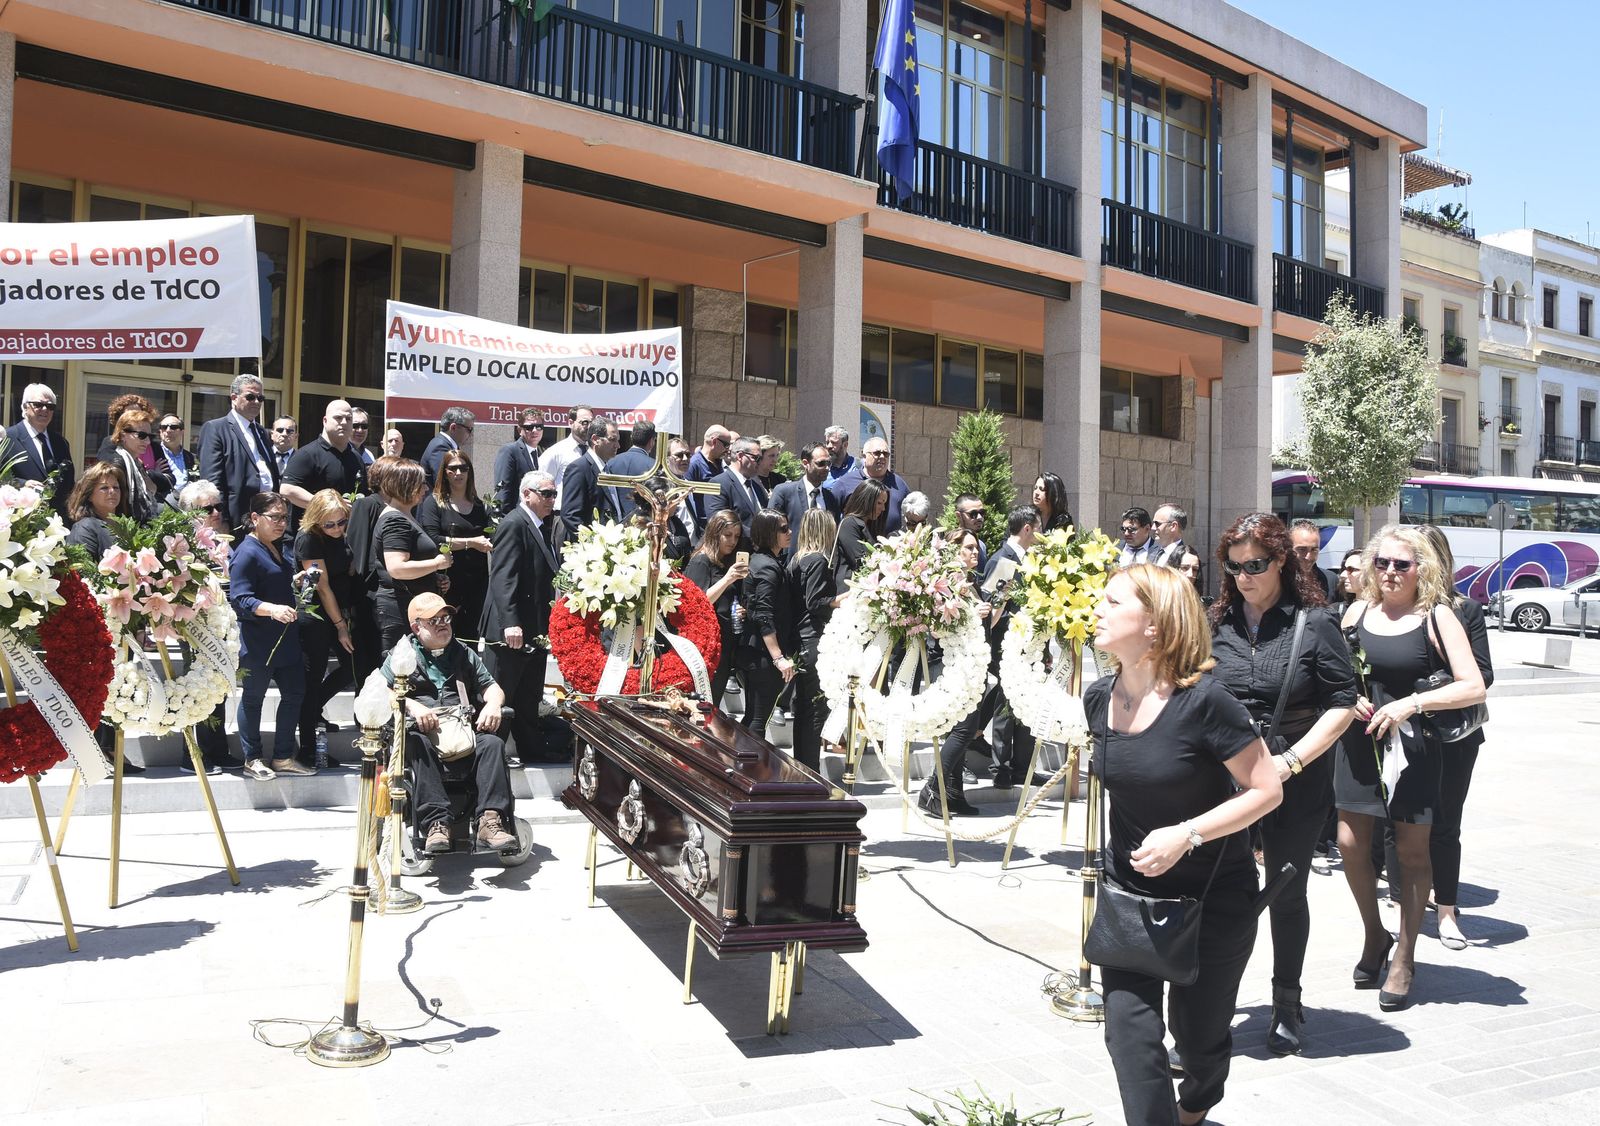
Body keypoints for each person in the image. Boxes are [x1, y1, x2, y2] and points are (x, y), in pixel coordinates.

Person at [1088, 563, 1282, 1126]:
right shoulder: (1099, 699)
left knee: (1197, 1043)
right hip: (1132, 901)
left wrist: (1186, 834)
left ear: (1153, 624)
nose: (1095, 608)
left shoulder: (1205, 703)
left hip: (1213, 899)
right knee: (1128, 1036)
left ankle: (1197, 1103)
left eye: (1110, 601)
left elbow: (1266, 790)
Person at [1208, 513, 1356, 1056]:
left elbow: (1343, 702)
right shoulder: (1216, 620)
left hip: (1296, 773)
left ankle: (1286, 1002)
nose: (1244, 575)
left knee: (1287, 893)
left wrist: (1291, 761)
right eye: (1235, 565)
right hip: (1227, 780)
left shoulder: (1313, 623)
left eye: (1256, 565)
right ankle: (1211, 1011)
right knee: (1221, 893)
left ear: (1281, 563)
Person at [1336, 525, 1486, 1011]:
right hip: (1360, 743)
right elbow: (1336, 671)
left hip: (1415, 746)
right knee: (1350, 844)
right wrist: (1350, 697)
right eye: (1382, 564)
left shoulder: (1437, 615)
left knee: (1412, 852)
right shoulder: (1358, 611)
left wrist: (1411, 704)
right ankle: (1374, 935)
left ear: (1423, 568)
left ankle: (1405, 955)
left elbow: (1474, 685)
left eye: (1403, 564)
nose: (1392, 573)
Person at [384, 593, 517, 854]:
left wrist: (492, 705)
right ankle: (436, 823)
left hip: (461, 732)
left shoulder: (463, 653)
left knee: (491, 743)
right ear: (416, 627)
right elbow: (381, 691)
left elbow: (492, 688)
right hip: (423, 735)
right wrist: (412, 705)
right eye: (433, 620)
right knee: (416, 742)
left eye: (445, 617)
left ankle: (490, 821)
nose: (442, 624)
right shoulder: (401, 655)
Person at [1417, 524, 1493, 954]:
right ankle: (1403, 899)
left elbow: (1485, 674)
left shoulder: (1464, 610)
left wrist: (1431, 688)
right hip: (1405, 734)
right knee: (1402, 824)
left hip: (1454, 736)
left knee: (1445, 824)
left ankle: (1446, 909)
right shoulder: (1394, 611)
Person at [481, 470, 563, 767]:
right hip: (512, 627)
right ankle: (491, 754)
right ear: (526, 493)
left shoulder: (542, 525)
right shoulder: (514, 524)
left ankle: (532, 748)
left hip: (535, 625)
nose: (551, 500)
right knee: (502, 692)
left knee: (529, 694)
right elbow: (503, 577)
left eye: (554, 494)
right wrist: (509, 622)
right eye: (546, 494)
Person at [230, 492, 310, 780]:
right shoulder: (247, 552)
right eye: (274, 517)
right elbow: (240, 598)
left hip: (285, 638)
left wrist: (295, 581)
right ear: (255, 518)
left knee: (294, 694)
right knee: (253, 699)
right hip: (259, 640)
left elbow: (272, 581)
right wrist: (272, 609)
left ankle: (283, 756)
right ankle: (252, 758)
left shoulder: (275, 547)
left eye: (284, 518)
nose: (280, 523)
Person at [918, 527, 995, 817]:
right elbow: (937, 629)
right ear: (954, 552)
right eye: (968, 548)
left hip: (970, 663)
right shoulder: (944, 584)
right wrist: (974, 614)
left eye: (976, 548)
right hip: (949, 663)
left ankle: (953, 794)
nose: (975, 553)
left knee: (964, 727)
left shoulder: (972, 584)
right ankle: (932, 787)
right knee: (964, 729)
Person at [176, 479, 234, 775]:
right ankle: (192, 755)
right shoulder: (181, 541)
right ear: (189, 512)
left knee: (218, 688)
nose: (215, 512)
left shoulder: (222, 539)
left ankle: (217, 749)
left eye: (217, 506)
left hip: (221, 624)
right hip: (194, 626)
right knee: (196, 689)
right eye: (207, 508)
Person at [295, 489, 356, 769]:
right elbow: (322, 587)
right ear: (317, 520)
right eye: (329, 524)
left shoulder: (344, 531)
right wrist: (341, 626)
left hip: (338, 611)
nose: (336, 529)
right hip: (316, 616)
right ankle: (307, 747)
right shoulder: (309, 538)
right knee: (312, 676)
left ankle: (312, 710)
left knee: (351, 667)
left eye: (341, 522)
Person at [981, 505, 1038, 789]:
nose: (1039, 535)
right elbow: (992, 609)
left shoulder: (1026, 560)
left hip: (1027, 645)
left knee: (1024, 705)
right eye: (1037, 529)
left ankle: (1023, 767)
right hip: (1006, 646)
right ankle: (1000, 767)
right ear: (1027, 528)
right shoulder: (1004, 561)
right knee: (1005, 707)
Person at [373, 459, 451, 650]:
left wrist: (434, 577)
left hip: (409, 604)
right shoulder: (395, 520)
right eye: (421, 484)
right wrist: (436, 564)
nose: (426, 488)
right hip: (400, 608)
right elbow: (397, 569)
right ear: (406, 486)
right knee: (403, 669)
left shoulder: (404, 515)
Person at [787, 508, 841, 772]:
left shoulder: (797, 559)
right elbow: (816, 602)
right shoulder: (818, 560)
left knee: (805, 710)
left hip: (800, 639)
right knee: (815, 711)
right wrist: (842, 599)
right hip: (813, 639)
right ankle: (810, 770)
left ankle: (803, 768)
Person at [418, 450, 492, 640]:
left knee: (472, 639)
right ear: (444, 472)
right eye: (453, 469)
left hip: (477, 582)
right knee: (446, 638)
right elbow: (433, 538)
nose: (458, 473)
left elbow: (492, 537)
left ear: (469, 472)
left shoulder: (480, 506)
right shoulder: (434, 503)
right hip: (447, 580)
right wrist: (471, 543)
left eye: (463, 468)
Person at [737, 509, 797, 740]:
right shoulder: (768, 567)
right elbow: (763, 613)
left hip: (755, 653)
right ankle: (751, 772)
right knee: (759, 719)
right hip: (762, 655)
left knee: (754, 716)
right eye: (783, 529)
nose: (789, 532)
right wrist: (778, 657)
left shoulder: (762, 561)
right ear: (769, 533)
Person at [199, 373, 280, 535]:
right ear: (234, 398)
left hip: (265, 518)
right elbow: (212, 482)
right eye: (250, 397)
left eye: (260, 398)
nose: (256, 402)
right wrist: (221, 519)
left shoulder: (262, 432)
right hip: (235, 519)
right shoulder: (216, 428)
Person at [683, 510, 747, 706]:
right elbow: (697, 602)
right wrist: (727, 580)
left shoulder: (725, 561)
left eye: (736, 536)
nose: (732, 541)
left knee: (714, 701)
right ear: (714, 533)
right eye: (727, 535)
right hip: (704, 644)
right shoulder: (701, 560)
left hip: (724, 639)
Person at [2, 383, 75, 515]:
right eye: (38, 405)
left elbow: (69, 483)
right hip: (21, 521)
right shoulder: (7, 438)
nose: (44, 409)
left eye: (50, 406)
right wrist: (23, 484)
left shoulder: (61, 442)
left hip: (57, 520)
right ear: (25, 406)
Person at [282, 399, 367, 509]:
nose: (344, 422)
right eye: (338, 418)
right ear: (325, 421)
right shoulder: (307, 454)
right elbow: (287, 490)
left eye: (349, 419)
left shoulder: (356, 459)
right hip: (311, 525)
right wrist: (327, 505)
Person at [771, 443, 840, 561]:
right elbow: (770, 530)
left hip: (822, 565)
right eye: (821, 463)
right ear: (805, 463)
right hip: (790, 565)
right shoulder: (784, 492)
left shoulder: (831, 498)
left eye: (829, 463)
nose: (827, 468)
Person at [826, 437, 909, 534]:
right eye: (877, 453)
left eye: (886, 454)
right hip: (855, 547)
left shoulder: (899, 484)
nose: (882, 457)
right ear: (864, 456)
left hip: (891, 546)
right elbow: (830, 518)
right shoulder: (845, 483)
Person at [560, 416, 621, 539]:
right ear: (595, 439)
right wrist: (592, 544)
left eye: (617, 440)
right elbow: (570, 515)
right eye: (612, 440)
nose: (618, 445)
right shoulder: (579, 468)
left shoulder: (608, 468)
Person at [704, 436, 770, 546]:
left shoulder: (756, 486)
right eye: (756, 458)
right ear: (740, 456)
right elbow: (718, 521)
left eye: (761, 458)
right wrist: (757, 537)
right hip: (734, 552)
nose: (760, 462)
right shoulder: (718, 483)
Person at [99, 409, 164, 521]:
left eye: (150, 436)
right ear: (123, 435)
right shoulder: (117, 463)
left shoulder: (137, 463)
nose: (148, 442)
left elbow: (150, 490)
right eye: (142, 435)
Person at [65, 462, 129, 558]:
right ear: (89, 495)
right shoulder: (84, 528)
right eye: (104, 488)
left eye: (116, 487)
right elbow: (82, 570)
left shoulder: (126, 527)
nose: (112, 491)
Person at [833, 479, 887, 587]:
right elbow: (859, 562)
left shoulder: (869, 526)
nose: (883, 508)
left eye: (884, 503)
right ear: (866, 501)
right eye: (879, 503)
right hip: (848, 591)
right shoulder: (849, 524)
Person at [491, 408, 543, 517]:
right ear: (519, 430)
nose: (535, 430)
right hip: (515, 518)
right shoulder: (509, 451)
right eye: (529, 427)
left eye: (539, 427)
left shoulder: (541, 453)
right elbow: (503, 491)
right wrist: (505, 521)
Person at [603, 419, 658, 517]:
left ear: (631, 437)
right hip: (644, 521)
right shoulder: (654, 466)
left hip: (615, 521)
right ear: (651, 441)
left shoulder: (611, 462)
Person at [542, 406, 594, 509]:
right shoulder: (556, 452)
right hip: (563, 514)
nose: (588, 427)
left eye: (591, 423)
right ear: (570, 423)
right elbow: (543, 485)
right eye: (584, 422)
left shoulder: (593, 451)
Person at [687, 424, 731, 520]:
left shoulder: (721, 464)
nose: (728, 450)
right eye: (726, 445)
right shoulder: (694, 464)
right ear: (714, 441)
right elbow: (687, 498)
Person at [420, 406, 474, 484]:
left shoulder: (446, 445)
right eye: (469, 430)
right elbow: (443, 484)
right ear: (453, 428)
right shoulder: (440, 447)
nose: (471, 435)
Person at [1289, 519, 1332, 598]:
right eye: (1302, 549)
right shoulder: (1275, 580)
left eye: (1314, 550)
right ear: (1288, 548)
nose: (1308, 557)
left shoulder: (1330, 581)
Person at [157, 414, 199, 494]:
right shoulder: (153, 454)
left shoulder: (192, 458)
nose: (168, 430)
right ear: (160, 432)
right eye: (164, 427)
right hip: (162, 503)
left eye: (173, 427)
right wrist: (155, 474)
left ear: (182, 432)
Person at [952, 493, 989, 571]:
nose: (979, 517)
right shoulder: (951, 544)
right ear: (959, 515)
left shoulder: (982, 546)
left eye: (982, 513)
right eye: (973, 514)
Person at [1153, 503, 1189, 567]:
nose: (1153, 528)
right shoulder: (1152, 552)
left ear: (1173, 526)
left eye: (1157, 523)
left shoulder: (1186, 558)